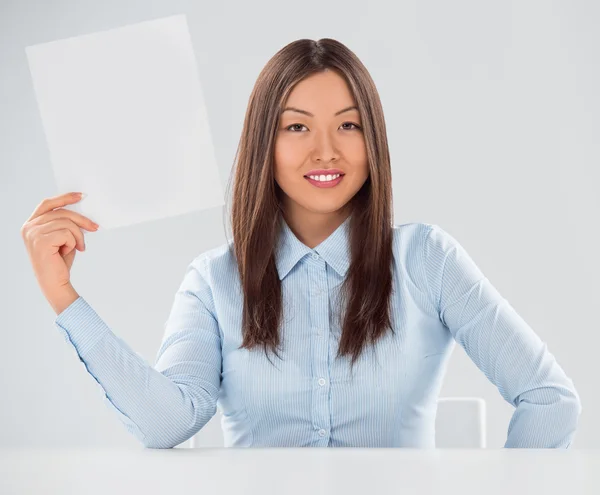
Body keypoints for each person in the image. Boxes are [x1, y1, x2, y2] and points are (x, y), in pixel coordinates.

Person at [21, 38, 581, 449]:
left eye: (349, 125)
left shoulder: (425, 259)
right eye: (296, 127)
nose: (325, 151)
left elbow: (549, 401)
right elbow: (167, 422)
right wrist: (62, 293)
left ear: (373, 141)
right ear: (264, 142)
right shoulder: (215, 281)